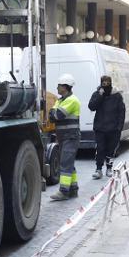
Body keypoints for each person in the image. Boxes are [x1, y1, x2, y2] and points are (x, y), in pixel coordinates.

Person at [49, 73, 81, 201]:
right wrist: (53, 112)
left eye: (59, 85)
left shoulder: (72, 100)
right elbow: (53, 115)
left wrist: (53, 112)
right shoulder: (61, 100)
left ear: (65, 87)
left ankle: (63, 191)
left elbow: (56, 116)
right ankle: (73, 189)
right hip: (64, 137)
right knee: (69, 164)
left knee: (65, 164)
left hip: (70, 137)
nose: (57, 88)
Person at [88, 75, 126, 179]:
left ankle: (109, 168)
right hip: (100, 128)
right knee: (100, 149)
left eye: (107, 82)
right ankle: (98, 169)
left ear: (110, 82)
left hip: (113, 128)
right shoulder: (97, 94)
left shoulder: (117, 96)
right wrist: (100, 95)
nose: (105, 84)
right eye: (103, 82)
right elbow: (91, 106)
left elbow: (121, 111)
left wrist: (119, 127)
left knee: (111, 150)